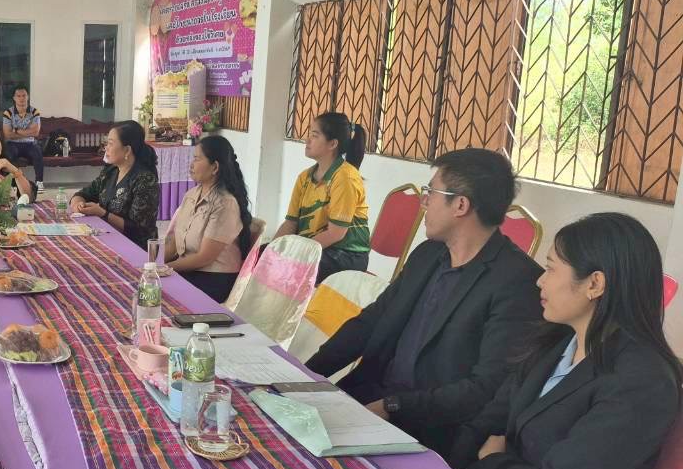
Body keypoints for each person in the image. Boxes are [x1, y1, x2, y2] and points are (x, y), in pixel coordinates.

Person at [445, 213, 681, 469]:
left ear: (594, 284)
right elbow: (489, 419)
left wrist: (492, 462)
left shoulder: (640, 381)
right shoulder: (558, 343)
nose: (540, 280)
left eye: (552, 268)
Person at [306, 148, 543, 446]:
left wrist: (394, 406)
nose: (424, 202)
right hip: (367, 399)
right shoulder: (428, 254)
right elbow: (371, 322)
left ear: (460, 205)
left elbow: (486, 387)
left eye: (431, 192)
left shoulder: (517, 282)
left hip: (427, 428)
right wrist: (306, 376)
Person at [274, 112, 371, 283]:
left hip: (347, 255)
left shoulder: (345, 177)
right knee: (262, 256)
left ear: (332, 144)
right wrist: (272, 249)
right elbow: (290, 223)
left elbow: (335, 234)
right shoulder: (304, 177)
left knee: (289, 268)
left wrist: (296, 252)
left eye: (314, 135)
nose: (307, 140)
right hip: (317, 247)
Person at [163, 135, 253, 302]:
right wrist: (152, 263)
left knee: (157, 292)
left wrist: (165, 268)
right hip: (189, 269)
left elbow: (205, 257)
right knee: (145, 282)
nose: (191, 165)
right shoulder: (191, 195)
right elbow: (175, 242)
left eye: (197, 159)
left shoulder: (225, 203)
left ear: (215, 167)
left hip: (213, 278)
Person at [69, 121, 159, 250]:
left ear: (127, 150)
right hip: (107, 238)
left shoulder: (145, 180)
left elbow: (138, 230)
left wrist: (103, 214)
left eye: (111, 144)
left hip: (134, 248)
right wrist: (78, 204)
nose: (106, 148)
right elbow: (83, 194)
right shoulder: (111, 171)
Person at [2, 85, 45, 183]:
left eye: (24, 95)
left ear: (28, 97)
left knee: (37, 153)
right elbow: (7, 134)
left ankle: (39, 183)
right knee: (8, 154)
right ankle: (11, 183)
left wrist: (16, 130)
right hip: (12, 144)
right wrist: (28, 132)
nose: (21, 98)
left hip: (30, 144)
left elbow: (35, 132)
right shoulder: (8, 113)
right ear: (14, 98)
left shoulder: (34, 112)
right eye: (18, 96)